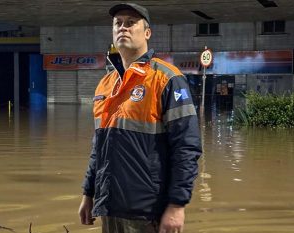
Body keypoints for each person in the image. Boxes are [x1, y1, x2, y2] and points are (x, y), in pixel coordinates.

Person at [78, 3, 202, 233]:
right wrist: (89, 193)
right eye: (118, 23)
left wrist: (176, 205)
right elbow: (99, 147)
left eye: (130, 22)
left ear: (147, 33)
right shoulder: (106, 84)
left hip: (147, 211)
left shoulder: (167, 79)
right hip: (110, 206)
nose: (123, 28)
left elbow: (187, 147)